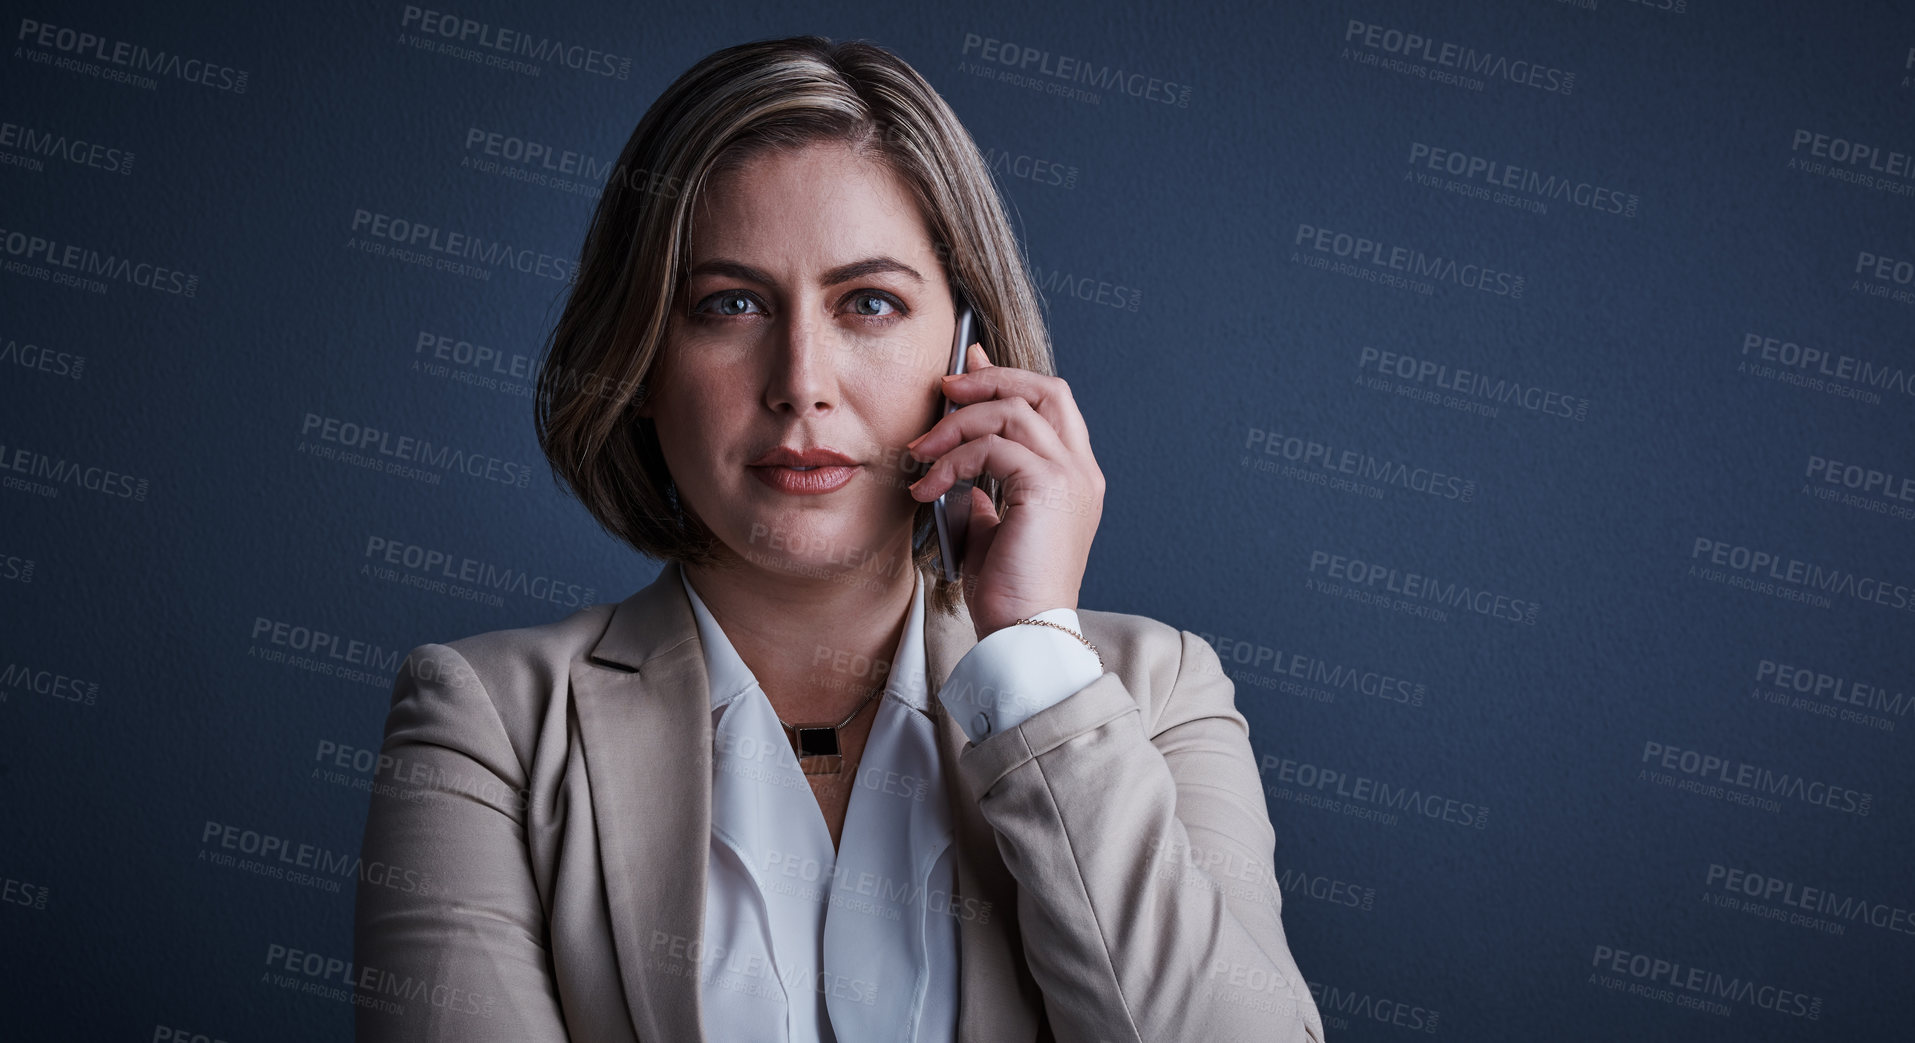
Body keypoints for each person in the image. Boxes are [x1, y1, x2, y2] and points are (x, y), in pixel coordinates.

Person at [353, 34, 1323, 1043]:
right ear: (639, 360)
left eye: (869, 302)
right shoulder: (488, 725)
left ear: (968, 352)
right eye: (729, 304)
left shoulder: (1157, 689)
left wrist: (1035, 658)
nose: (801, 380)